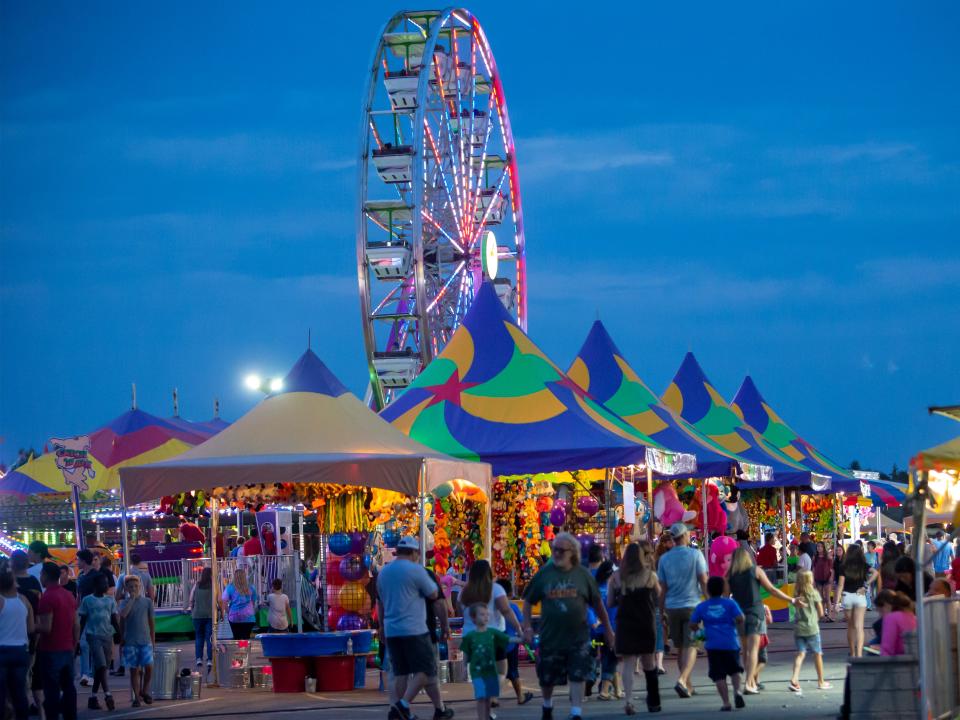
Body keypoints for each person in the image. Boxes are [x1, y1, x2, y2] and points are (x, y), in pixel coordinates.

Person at [523, 532, 613, 720]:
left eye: (560, 550)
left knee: (578, 673)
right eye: (555, 550)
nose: (556, 553)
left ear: (572, 552)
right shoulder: (545, 574)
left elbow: (598, 604)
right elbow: (529, 601)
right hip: (550, 636)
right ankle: (547, 706)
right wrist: (528, 627)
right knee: (547, 677)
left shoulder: (583, 575)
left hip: (578, 637)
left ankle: (576, 712)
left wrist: (609, 630)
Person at [375, 536, 448, 720]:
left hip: (392, 631)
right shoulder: (416, 570)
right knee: (426, 669)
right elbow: (433, 594)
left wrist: (382, 627)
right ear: (415, 553)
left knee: (401, 672)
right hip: (415, 629)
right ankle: (403, 705)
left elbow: (380, 604)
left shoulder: (384, 573)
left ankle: (399, 711)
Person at [726, 546, 799, 694]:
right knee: (754, 650)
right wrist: (791, 600)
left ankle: (750, 681)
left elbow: (726, 598)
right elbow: (772, 590)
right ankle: (749, 682)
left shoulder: (729, 575)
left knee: (746, 650)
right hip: (755, 613)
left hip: (739, 615)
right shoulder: (756, 571)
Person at [459, 559, 524, 711]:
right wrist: (519, 629)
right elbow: (506, 610)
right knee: (501, 670)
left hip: (470, 637)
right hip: (494, 634)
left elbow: (461, 612)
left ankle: (486, 695)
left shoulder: (464, 592)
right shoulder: (495, 589)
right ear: (489, 572)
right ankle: (492, 693)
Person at [607, 541, 661, 714]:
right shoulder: (650, 576)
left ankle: (629, 700)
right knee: (649, 663)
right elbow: (659, 598)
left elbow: (609, 602)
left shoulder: (615, 577)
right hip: (646, 620)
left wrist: (619, 598)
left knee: (628, 663)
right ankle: (653, 700)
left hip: (625, 621)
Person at [657, 523, 708, 698]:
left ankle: (688, 686)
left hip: (672, 608)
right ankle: (682, 679)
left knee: (680, 648)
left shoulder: (664, 559)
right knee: (694, 644)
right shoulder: (696, 555)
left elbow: (662, 589)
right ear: (685, 536)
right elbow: (703, 580)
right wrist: (711, 603)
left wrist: (660, 611)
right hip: (693, 607)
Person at [689, 576, 746, 712]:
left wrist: (700, 631)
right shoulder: (730, 603)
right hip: (730, 642)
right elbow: (741, 618)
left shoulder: (702, 606)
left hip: (713, 645)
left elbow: (692, 624)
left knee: (718, 675)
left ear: (708, 590)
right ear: (723, 589)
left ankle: (726, 703)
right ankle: (737, 692)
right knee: (735, 670)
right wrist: (734, 622)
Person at [36, 562, 79, 720]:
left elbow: (46, 627)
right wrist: (75, 644)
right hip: (67, 648)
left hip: (50, 649)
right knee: (68, 688)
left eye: (41, 574)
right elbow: (76, 623)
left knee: (52, 691)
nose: (40, 577)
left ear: (46, 575)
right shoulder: (68, 595)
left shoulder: (47, 597)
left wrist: (30, 625)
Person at [460, 604, 510, 720]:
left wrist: (522, 638)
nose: (486, 617)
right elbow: (466, 653)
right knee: (481, 697)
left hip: (491, 671)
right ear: (473, 617)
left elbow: (507, 639)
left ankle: (487, 716)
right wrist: (463, 668)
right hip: (477, 672)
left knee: (487, 698)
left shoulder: (492, 632)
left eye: (487, 614)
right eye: (482, 614)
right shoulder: (470, 636)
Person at [9, 552, 43, 716]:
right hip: (31, 635)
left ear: (12, 564)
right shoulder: (34, 582)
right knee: (28, 674)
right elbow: (39, 609)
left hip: (9, 637)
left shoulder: (7, 583)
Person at [78, 573, 117, 710]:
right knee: (100, 665)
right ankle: (108, 694)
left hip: (107, 636)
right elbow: (82, 620)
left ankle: (93, 697)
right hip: (93, 636)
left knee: (102, 669)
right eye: (103, 583)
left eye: (107, 583)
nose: (106, 585)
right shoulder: (87, 600)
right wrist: (77, 638)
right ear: (95, 586)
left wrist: (119, 635)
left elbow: (113, 619)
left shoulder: (110, 601)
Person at [788, 570, 830, 693]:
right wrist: (816, 617)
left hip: (799, 628)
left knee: (800, 653)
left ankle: (794, 679)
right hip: (812, 628)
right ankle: (821, 681)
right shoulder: (814, 593)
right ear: (809, 580)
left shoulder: (796, 594)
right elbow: (821, 613)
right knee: (817, 654)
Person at [0, 568, 34, 720]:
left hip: (2, 650)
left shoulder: (1, 601)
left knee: (1, 694)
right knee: (19, 692)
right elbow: (31, 628)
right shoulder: (24, 600)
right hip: (21, 651)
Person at [494, 579, 533, 706]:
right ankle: (520, 696)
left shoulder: (493, 606)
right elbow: (521, 623)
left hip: (495, 643)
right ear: (510, 593)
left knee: (496, 672)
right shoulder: (513, 607)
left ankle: (493, 697)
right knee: (513, 672)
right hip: (510, 645)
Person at [834, 543, 878, 657]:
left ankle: (852, 653)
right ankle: (859, 654)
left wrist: (836, 603)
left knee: (850, 626)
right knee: (859, 627)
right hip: (860, 596)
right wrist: (866, 585)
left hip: (847, 596)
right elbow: (876, 572)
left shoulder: (843, 566)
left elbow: (840, 585)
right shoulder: (863, 565)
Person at [119, 575, 154, 707]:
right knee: (134, 670)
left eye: (136, 586)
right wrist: (132, 599)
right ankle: (136, 697)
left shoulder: (147, 602)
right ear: (127, 589)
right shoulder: (124, 603)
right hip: (130, 641)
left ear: (140, 587)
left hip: (145, 640)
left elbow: (151, 623)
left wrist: (153, 640)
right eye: (131, 587)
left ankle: (144, 690)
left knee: (149, 667)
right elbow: (123, 616)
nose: (134, 588)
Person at [591, 560, 620, 701]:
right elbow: (614, 614)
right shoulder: (611, 591)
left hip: (597, 632)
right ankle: (604, 691)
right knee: (611, 660)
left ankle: (618, 690)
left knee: (607, 659)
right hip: (611, 630)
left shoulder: (597, 590)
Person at [652, 533, 675, 674]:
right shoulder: (662, 558)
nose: (671, 544)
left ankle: (665, 642)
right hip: (665, 590)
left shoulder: (660, 557)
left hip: (665, 590)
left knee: (664, 619)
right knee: (663, 619)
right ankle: (665, 643)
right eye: (669, 542)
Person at [184, 567, 213, 672]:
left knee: (199, 637)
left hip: (197, 615)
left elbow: (191, 599)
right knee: (209, 638)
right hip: (210, 615)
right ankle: (210, 659)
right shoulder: (213, 586)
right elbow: (219, 599)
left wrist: (192, 610)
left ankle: (199, 659)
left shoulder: (197, 585)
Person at [220, 568, 258, 640]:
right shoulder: (251, 587)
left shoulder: (230, 587)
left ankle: (239, 650)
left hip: (234, 617)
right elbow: (253, 602)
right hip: (249, 618)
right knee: (245, 637)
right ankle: (244, 649)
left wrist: (228, 611)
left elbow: (224, 601)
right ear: (244, 576)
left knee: (237, 637)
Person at [878, 591, 916, 656]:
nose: (880, 615)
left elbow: (887, 648)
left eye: (880, 611)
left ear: (889, 605)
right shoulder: (914, 617)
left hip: (899, 660)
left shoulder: (891, 618)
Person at [812, 543, 834, 621]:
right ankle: (822, 614)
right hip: (818, 579)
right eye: (818, 546)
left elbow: (831, 568)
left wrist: (831, 577)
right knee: (821, 598)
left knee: (827, 597)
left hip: (827, 578)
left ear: (823, 547)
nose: (819, 548)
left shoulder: (828, 556)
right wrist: (813, 580)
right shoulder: (815, 557)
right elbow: (813, 569)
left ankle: (830, 615)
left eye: (821, 546)